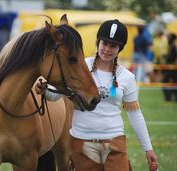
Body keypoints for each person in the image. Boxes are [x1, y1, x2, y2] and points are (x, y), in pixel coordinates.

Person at [35, 19, 158, 171]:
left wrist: (148, 148)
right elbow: (57, 95)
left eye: (113, 45)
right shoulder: (80, 66)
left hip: (115, 143)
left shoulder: (127, 77)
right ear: (97, 42)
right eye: (104, 43)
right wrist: (45, 91)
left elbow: (135, 115)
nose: (107, 49)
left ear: (120, 48)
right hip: (82, 142)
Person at [162, 33, 177, 102]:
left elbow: (173, 57)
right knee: (172, 83)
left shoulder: (173, 46)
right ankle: (169, 98)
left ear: (172, 38)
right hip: (170, 68)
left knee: (165, 82)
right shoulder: (171, 46)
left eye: (169, 37)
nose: (167, 38)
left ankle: (168, 98)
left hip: (172, 68)